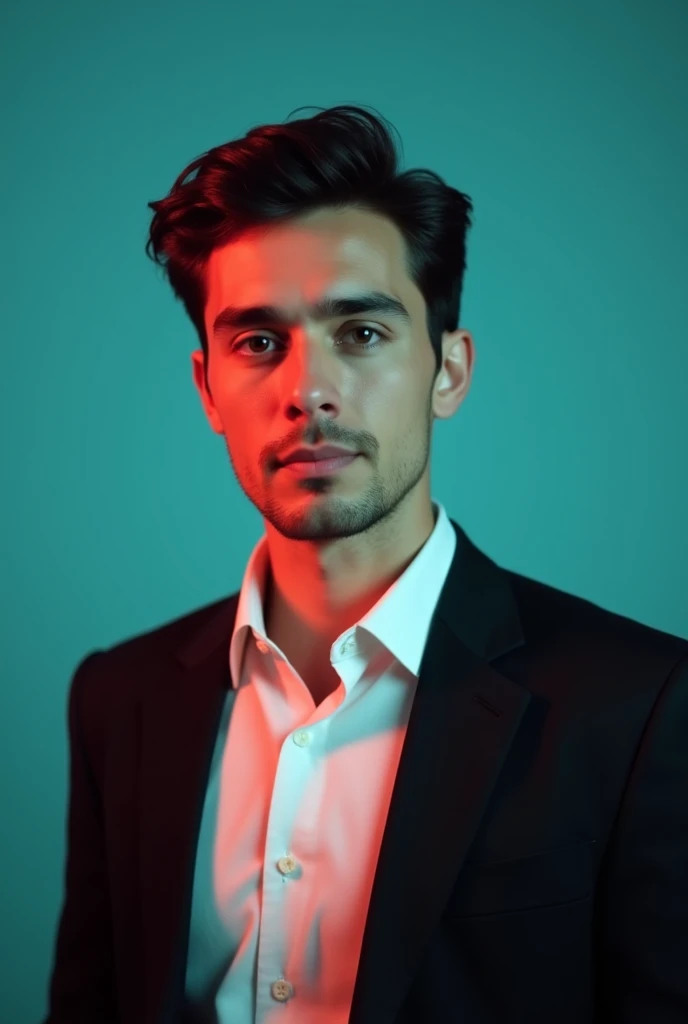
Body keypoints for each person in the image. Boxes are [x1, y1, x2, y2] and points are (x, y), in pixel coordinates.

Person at [43, 104, 688, 1024]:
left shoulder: (638, 703)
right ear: (208, 390)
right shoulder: (119, 696)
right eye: (258, 342)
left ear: (450, 372)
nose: (308, 390)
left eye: (363, 333)